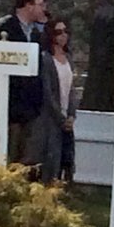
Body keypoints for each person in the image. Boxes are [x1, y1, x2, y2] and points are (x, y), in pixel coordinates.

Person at [0, 0, 47, 165]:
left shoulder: (36, 34)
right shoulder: (4, 28)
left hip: (30, 110)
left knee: (25, 162)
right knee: (6, 157)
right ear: (28, 5)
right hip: (9, 109)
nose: (44, 9)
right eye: (41, 4)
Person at [28, 20, 79, 184]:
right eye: (58, 32)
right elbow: (47, 92)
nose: (63, 35)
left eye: (65, 31)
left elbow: (71, 89)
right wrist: (61, 118)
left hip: (66, 118)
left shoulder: (69, 59)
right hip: (49, 119)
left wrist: (71, 115)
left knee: (67, 157)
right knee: (50, 157)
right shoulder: (46, 59)